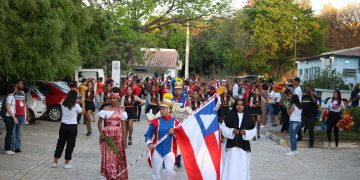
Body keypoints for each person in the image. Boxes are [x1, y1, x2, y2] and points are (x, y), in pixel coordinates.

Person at [144, 93, 179, 180]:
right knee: (156, 172)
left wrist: (175, 133)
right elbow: (147, 135)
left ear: (169, 109)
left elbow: (181, 137)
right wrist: (149, 144)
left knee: (169, 171)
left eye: (164, 109)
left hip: (169, 151)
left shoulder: (176, 123)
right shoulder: (155, 122)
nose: (162, 111)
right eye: (161, 109)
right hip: (157, 150)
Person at [220, 99, 256, 180]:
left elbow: (254, 131)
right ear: (235, 105)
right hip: (231, 145)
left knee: (242, 165)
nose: (239, 106)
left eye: (241, 105)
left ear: (244, 106)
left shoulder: (248, 117)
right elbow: (223, 127)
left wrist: (245, 132)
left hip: (243, 145)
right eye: (238, 104)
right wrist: (231, 131)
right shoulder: (230, 115)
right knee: (231, 165)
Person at [98, 89, 128, 180]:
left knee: (117, 155)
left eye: (115, 98)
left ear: (118, 99)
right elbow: (99, 123)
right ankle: (110, 174)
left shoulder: (121, 111)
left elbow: (123, 126)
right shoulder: (105, 109)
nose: (113, 100)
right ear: (109, 99)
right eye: (112, 98)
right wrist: (102, 133)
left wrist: (125, 140)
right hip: (107, 135)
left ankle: (117, 174)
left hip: (118, 135)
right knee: (108, 155)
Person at [52, 90, 85, 168]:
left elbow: (67, 104)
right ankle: (66, 164)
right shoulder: (76, 105)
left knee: (60, 143)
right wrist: (83, 102)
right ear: (75, 97)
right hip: (72, 126)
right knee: (70, 145)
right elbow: (82, 112)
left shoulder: (63, 102)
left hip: (63, 125)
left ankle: (55, 162)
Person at [13, 80, 28, 153]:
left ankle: (17, 148)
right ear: (17, 84)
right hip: (14, 115)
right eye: (20, 84)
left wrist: (26, 114)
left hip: (22, 115)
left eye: (22, 84)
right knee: (13, 133)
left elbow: (25, 104)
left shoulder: (23, 93)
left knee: (19, 133)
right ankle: (11, 147)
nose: (22, 85)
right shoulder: (13, 93)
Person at [3, 83, 18, 155]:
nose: (16, 88)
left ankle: (7, 148)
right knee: (9, 133)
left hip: (10, 117)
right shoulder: (10, 97)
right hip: (9, 117)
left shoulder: (12, 97)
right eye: (15, 87)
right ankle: (7, 149)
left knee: (10, 133)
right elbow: (8, 109)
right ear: (13, 89)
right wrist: (14, 117)